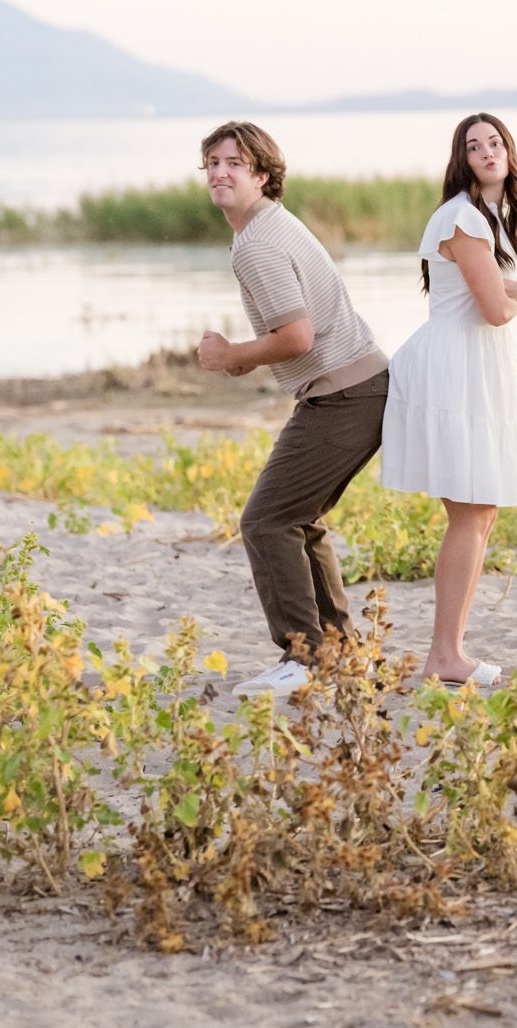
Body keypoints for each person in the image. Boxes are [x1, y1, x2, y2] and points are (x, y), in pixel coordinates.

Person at [195, 121, 389, 700]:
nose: (220, 172)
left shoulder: (257, 242)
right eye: (212, 163)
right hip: (358, 388)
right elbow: (300, 333)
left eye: (235, 163)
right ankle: (338, 654)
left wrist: (233, 355)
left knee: (266, 521)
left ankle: (303, 658)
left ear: (262, 175)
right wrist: (244, 358)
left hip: (344, 395)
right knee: (298, 520)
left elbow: (298, 336)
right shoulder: (267, 226)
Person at [381, 113, 517, 689]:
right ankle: (444, 653)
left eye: (495, 142)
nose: (487, 152)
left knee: (483, 510)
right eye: (474, 147)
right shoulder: (461, 218)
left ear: (509, 151)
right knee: (470, 511)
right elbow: (499, 312)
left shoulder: (509, 221)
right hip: (453, 367)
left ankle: (449, 650)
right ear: (463, 160)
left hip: (483, 368)